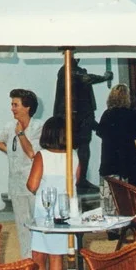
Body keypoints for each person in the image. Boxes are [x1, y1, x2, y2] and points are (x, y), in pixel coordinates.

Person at [26, 116, 75, 270]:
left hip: (44, 213)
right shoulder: (74, 155)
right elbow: (76, 181)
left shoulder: (42, 156)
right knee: (57, 257)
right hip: (65, 213)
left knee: (39, 257)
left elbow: (32, 185)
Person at [0, 88, 43, 259]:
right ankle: (28, 262)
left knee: (39, 225)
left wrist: (20, 133)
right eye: (12, 104)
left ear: (27, 107)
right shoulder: (9, 126)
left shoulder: (38, 127)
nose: (12, 108)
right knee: (22, 227)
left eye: (16, 105)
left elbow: (31, 153)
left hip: (34, 185)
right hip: (16, 186)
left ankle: (43, 261)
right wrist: (11, 152)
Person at [52, 58, 112, 193]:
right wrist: (105, 77)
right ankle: (75, 179)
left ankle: (81, 179)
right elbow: (86, 78)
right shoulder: (66, 70)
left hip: (83, 116)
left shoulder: (75, 70)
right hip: (72, 117)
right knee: (71, 148)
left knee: (84, 148)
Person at [95, 83, 136, 214]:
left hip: (109, 163)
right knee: (127, 201)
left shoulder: (106, 115)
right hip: (128, 164)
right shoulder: (132, 115)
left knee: (108, 201)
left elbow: (101, 134)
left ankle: (111, 231)